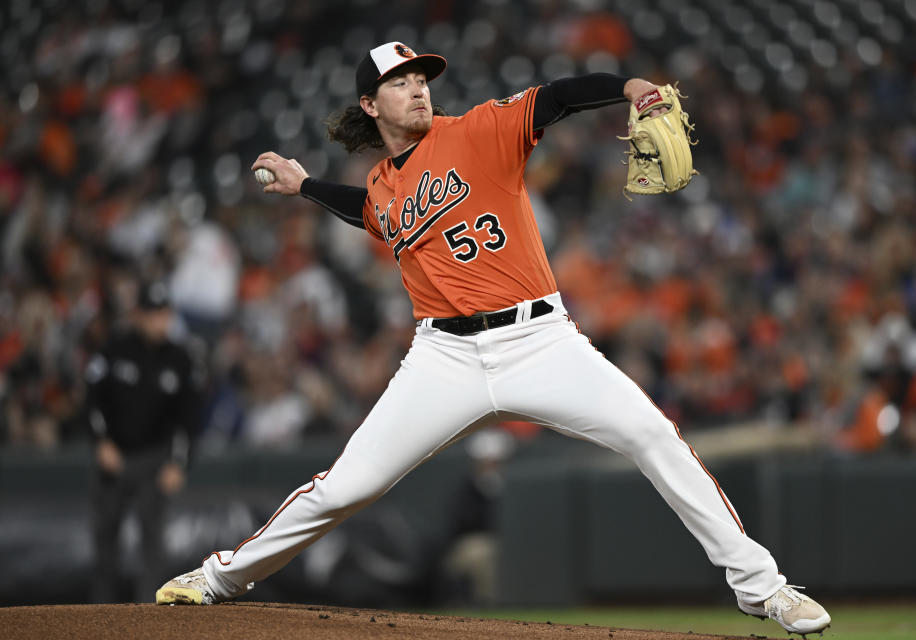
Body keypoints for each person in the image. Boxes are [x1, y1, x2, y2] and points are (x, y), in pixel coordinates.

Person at [157, 42, 831, 636]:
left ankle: (763, 587)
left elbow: (558, 98)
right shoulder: (382, 185)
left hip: (539, 339)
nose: (418, 87)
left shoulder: (481, 129)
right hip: (442, 356)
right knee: (343, 488)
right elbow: (372, 216)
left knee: (652, 435)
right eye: (400, 82)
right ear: (370, 103)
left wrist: (627, 87)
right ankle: (218, 579)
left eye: (422, 77)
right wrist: (306, 188)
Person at [87, 279, 202, 602]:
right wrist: (101, 441)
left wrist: (179, 463)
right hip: (116, 456)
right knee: (105, 536)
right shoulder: (114, 349)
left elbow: (189, 421)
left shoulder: (180, 359)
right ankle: (99, 613)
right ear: (138, 315)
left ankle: (149, 619)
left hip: (154, 459)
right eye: (152, 314)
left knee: (153, 542)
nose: (159, 321)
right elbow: (93, 400)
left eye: (164, 314)